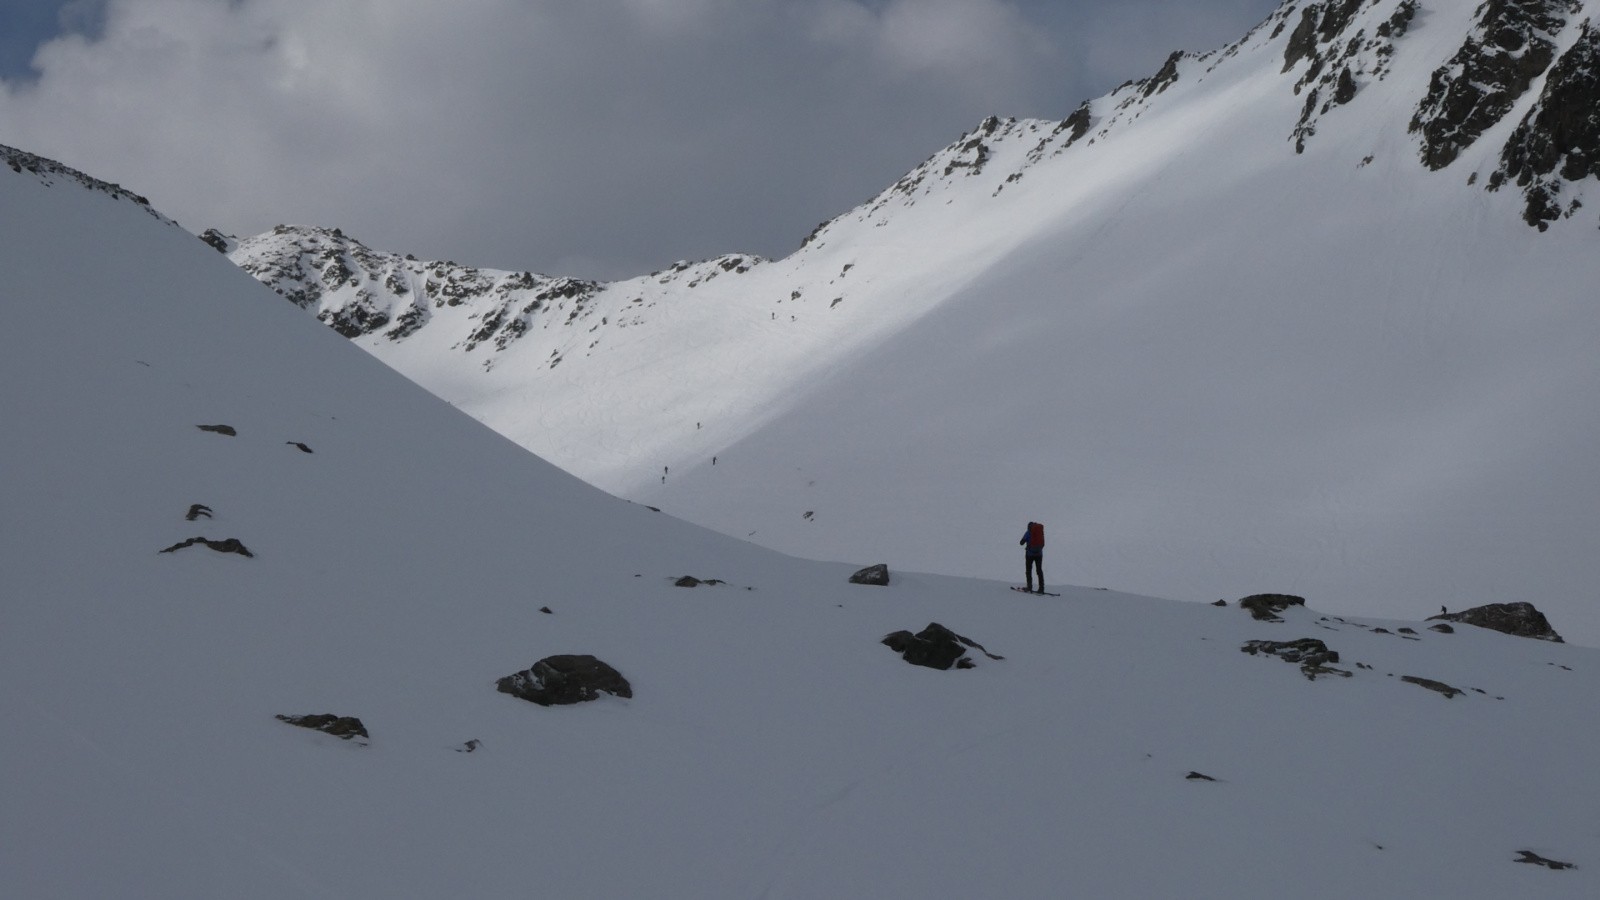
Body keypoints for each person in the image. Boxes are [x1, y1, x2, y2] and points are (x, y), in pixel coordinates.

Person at [1020, 521, 1045, 593]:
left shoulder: (1028, 533)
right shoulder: (1039, 532)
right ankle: (1041, 588)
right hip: (1039, 554)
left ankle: (1029, 587)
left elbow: (1021, 543)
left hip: (1029, 555)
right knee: (1039, 570)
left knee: (1028, 570)